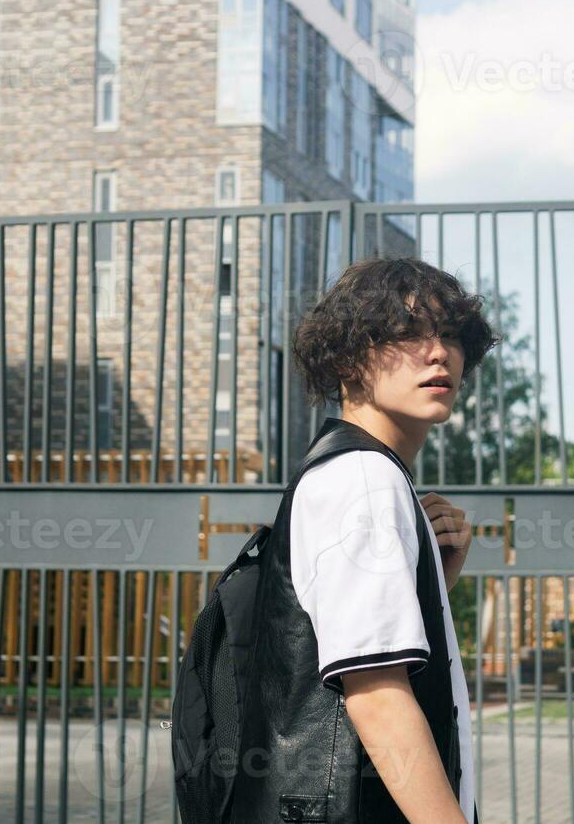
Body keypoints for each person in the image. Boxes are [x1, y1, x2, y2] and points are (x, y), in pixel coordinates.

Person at [232, 256, 499, 824]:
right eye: (409, 332)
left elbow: (352, 652)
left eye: (451, 335)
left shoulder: (359, 473)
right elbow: (377, 697)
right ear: (348, 359)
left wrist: (430, 583)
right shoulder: (362, 478)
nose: (438, 352)